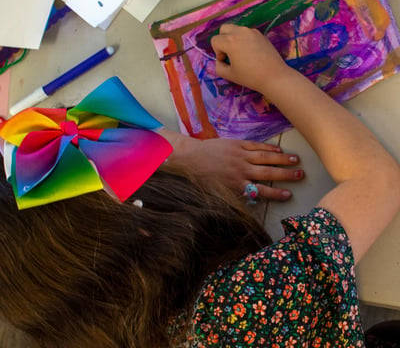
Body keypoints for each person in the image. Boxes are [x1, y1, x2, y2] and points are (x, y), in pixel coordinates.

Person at [0, 24, 399, 347]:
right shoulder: (241, 310)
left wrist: (181, 154)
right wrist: (274, 77)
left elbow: (60, 130)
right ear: (142, 229)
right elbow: (376, 181)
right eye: (131, 178)